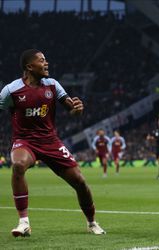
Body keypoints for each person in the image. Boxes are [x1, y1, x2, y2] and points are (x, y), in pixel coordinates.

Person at [0, 49, 105, 237]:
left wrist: (77, 110)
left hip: (51, 142)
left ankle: (92, 223)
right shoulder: (11, 90)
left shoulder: (53, 85)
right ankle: (24, 223)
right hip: (25, 141)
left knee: (80, 182)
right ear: (29, 66)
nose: (46, 63)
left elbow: (71, 109)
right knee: (18, 165)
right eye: (42, 60)